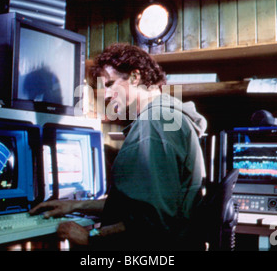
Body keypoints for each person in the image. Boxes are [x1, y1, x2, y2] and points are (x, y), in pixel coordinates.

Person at [29, 43, 207, 250]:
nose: (105, 95)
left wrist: (92, 236)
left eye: (110, 84)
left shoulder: (154, 123)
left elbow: (152, 222)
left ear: (135, 77)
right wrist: (77, 205)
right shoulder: (167, 117)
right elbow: (140, 207)